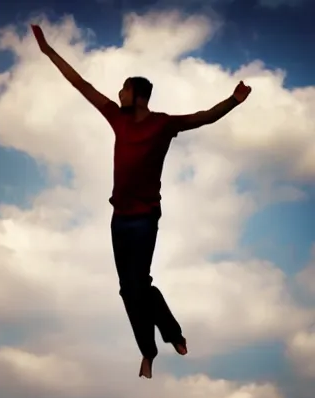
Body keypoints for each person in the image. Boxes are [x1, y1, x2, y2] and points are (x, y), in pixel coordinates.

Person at [31, 25, 252, 379]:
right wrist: (48, 51)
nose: (118, 92)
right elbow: (81, 84)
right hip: (119, 218)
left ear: (139, 96)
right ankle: (150, 351)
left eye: (124, 88)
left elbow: (203, 117)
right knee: (129, 289)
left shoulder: (163, 125)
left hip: (145, 217)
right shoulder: (117, 118)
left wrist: (233, 101)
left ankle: (171, 337)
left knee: (139, 285)